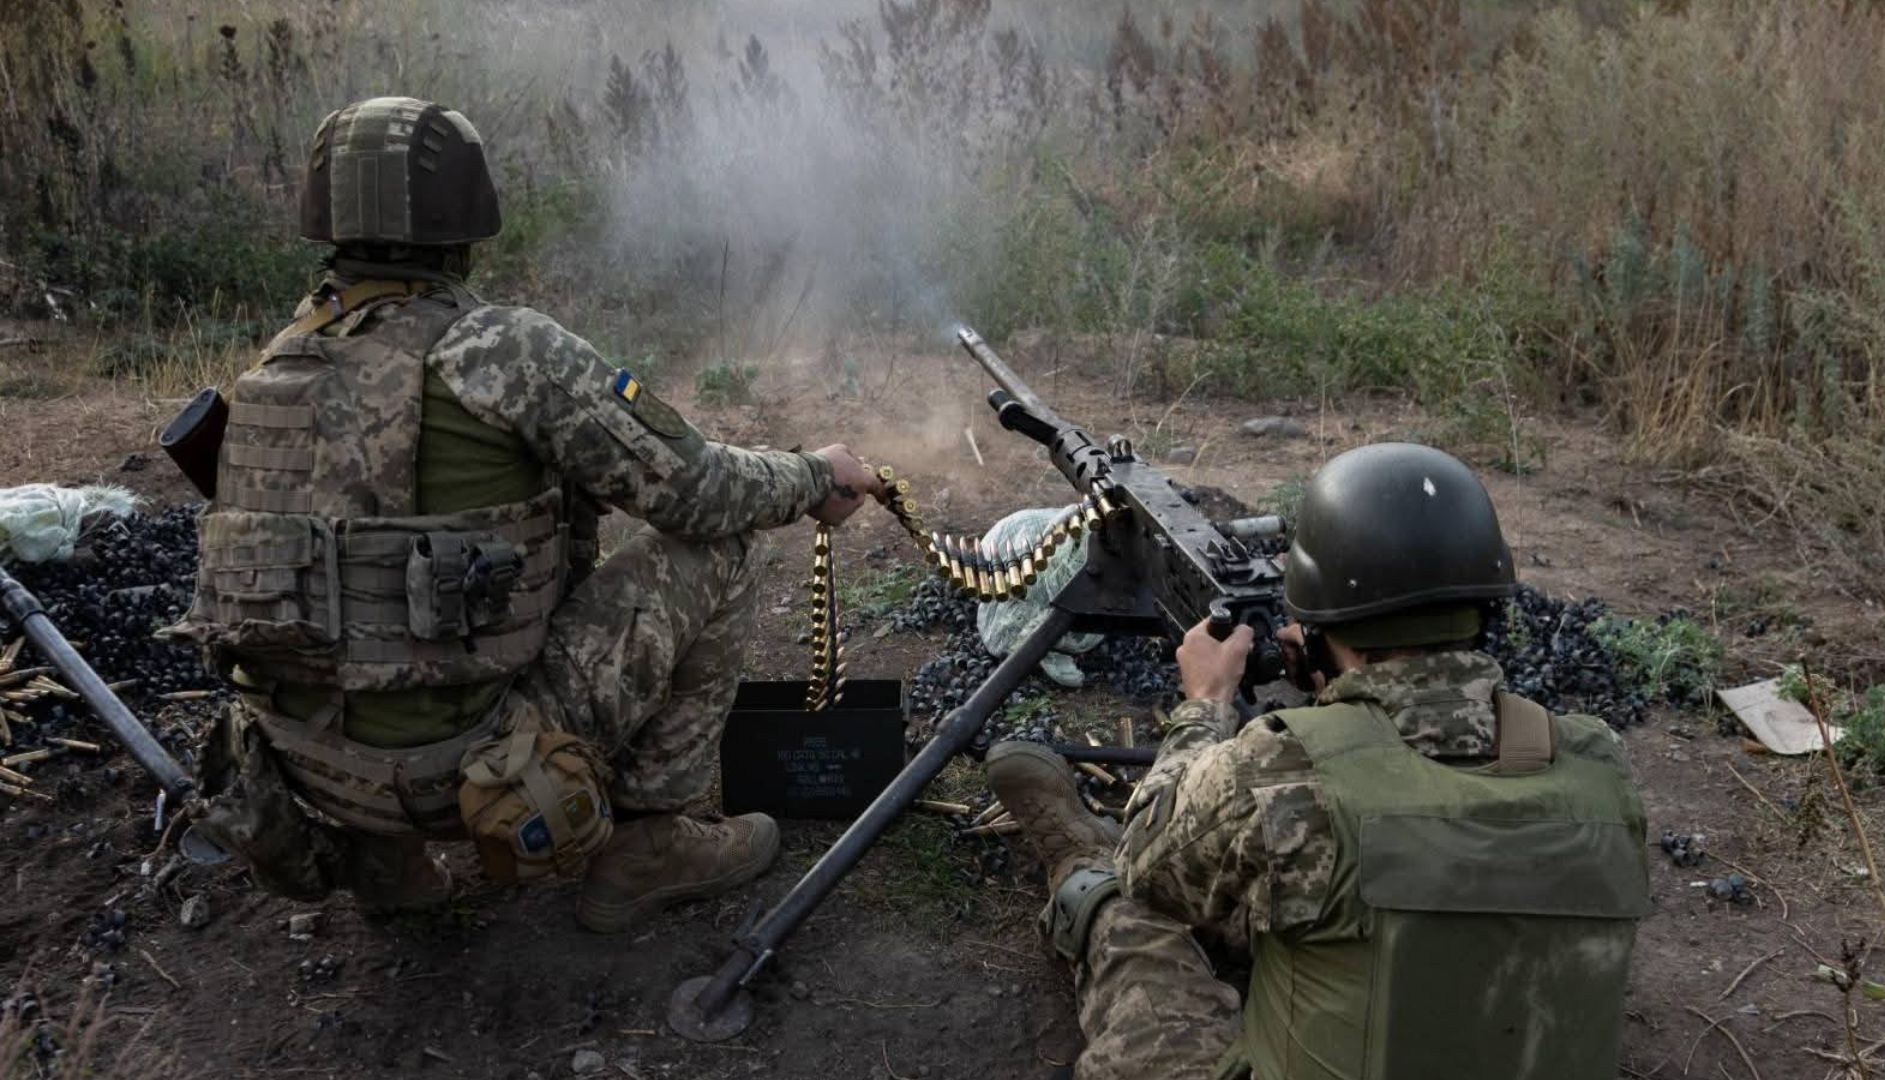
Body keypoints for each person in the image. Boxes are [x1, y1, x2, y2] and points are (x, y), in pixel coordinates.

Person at [164, 96, 884, 930]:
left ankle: (388, 865)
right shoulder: (499, 351)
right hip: (472, 776)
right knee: (722, 551)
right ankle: (650, 844)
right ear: (466, 215)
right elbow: (698, 490)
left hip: (305, 775)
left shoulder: (271, 372)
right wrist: (810, 474)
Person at [985, 442, 1650, 1080]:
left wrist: (1207, 704)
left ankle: (1073, 858)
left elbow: (1149, 869)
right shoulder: (1597, 761)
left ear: (1319, 622)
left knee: (1126, 911)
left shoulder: (1286, 770)